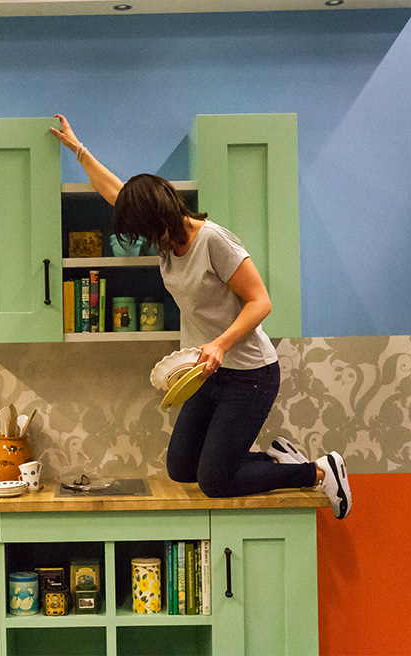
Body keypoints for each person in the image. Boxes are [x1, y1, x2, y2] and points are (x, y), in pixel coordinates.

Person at [50, 114, 351, 519]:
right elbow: (116, 192)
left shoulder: (213, 240)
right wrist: (78, 150)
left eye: (144, 232)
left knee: (215, 482)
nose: (144, 242)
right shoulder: (165, 238)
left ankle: (318, 471)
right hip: (206, 374)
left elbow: (261, 302)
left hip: (249, 375)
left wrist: (220, 344)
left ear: (159, 217)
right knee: (182, 469)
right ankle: (277, 459)